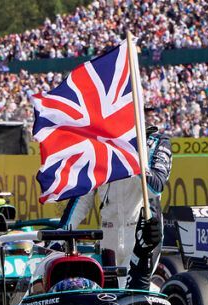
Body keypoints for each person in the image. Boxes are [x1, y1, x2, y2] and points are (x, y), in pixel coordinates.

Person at [62, 111, 173, 290]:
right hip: (109, 237)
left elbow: (156, 187)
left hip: (142, 236)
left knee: (136, 293)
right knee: (110, 298)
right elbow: (82, 197)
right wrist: (63, 233)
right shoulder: (99, 144)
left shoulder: (156, 142)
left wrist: (129, 153)